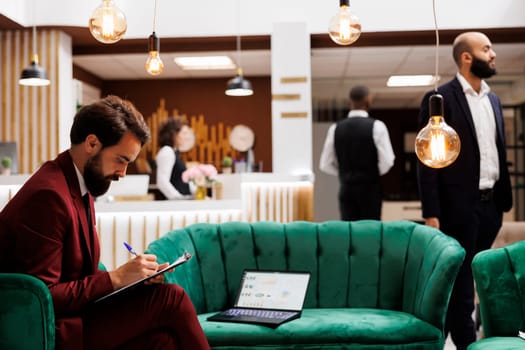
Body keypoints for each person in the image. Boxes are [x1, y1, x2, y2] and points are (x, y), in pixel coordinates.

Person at [0, 95, 210, 350]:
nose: (123, 173)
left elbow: (77, 274)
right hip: (54, 327)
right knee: (170, 298)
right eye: (121, 160)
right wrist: (114, 278)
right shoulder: (49, 195)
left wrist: (132, 278)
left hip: (77, 315)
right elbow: (40, 297)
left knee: (163, 342)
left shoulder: (78, 182)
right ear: (91, 143)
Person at [416, 32, 513, 350]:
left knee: (478, 276)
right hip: (458, 207)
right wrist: (431, 213)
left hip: (491, 206)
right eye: (487, 49)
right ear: (466, 58)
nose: (494, 54)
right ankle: (469, 343)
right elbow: (428, 162)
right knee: (460, 284)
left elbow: (496, 151)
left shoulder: (493, 99)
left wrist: (501, 201)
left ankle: (444, 338)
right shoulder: (439, 99)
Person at [319, 85, 395, 220]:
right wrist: (370, 173)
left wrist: (345, 173)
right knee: (371, 232)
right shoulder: (377, 126)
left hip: (347, 190)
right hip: (370, 190)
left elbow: (325, 164)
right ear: (368, 101)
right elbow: (387, 161)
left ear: (349, 102)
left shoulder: (335, 128)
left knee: (349, 233)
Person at [156, 117, 193, 200]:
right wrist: (179, 198)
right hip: (175, 205)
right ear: (173, 134)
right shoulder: (167, 151)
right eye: (184, 133)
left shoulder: (174, 152)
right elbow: (162, 182)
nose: (187, 137)